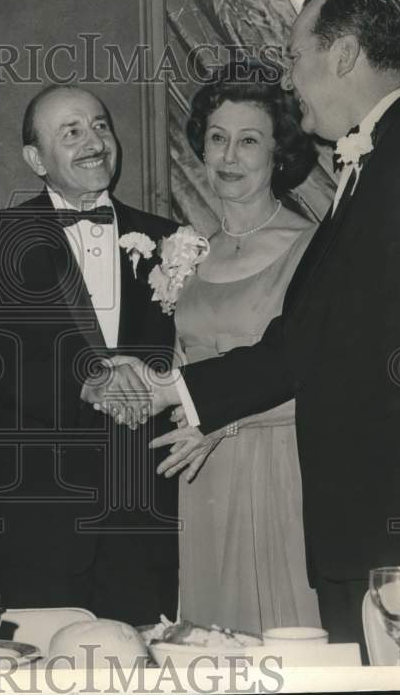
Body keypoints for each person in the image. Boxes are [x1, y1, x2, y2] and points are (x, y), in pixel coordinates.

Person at [84, 0, 400, 649]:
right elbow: (300, 342)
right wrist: (172, 386)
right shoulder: (362, 169)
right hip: (358, 520)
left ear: (342, 54)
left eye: (293, 55)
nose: (288, 78)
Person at [0, 84, 182, 625]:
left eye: (101, 125)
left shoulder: (171, 241)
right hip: (41, 516)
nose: (93, 141)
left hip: (143, 515)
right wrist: (84, 380)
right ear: (36, 158)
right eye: (71, 132)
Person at [149, 64, 321, 634]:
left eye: (249, 141)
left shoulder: (311, 248)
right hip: (203, 477)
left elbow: (319, 375)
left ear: (279, 154)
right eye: (217, 138)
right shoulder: (194, 254)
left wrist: (221, 422)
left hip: (281, 470)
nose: (229, 156)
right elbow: (181, 369)